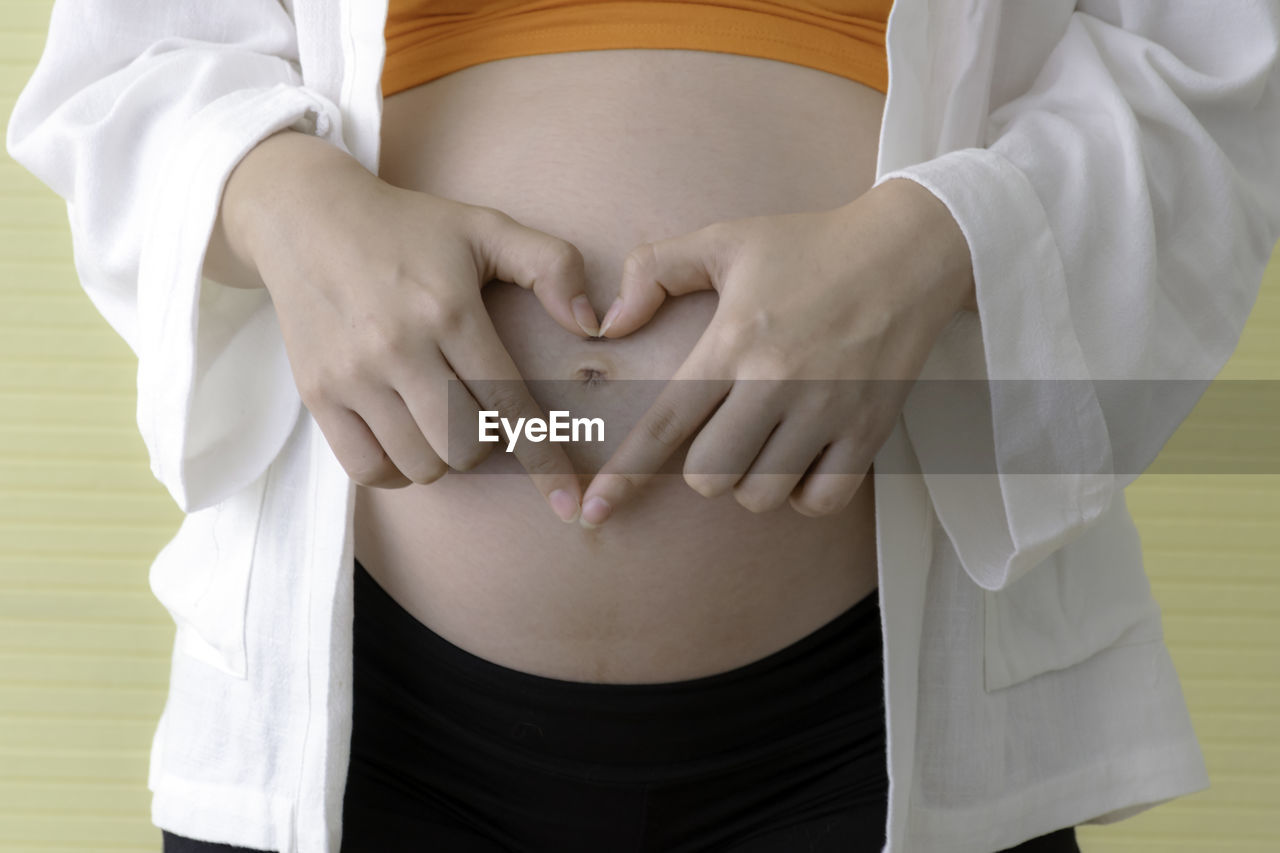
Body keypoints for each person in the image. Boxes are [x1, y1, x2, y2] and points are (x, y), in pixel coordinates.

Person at [8, 1, 1280, 852]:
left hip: (863, 735)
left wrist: (938, 242)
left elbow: (1213, 63)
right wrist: (284, 198)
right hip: (365, 731)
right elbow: (127, 64)